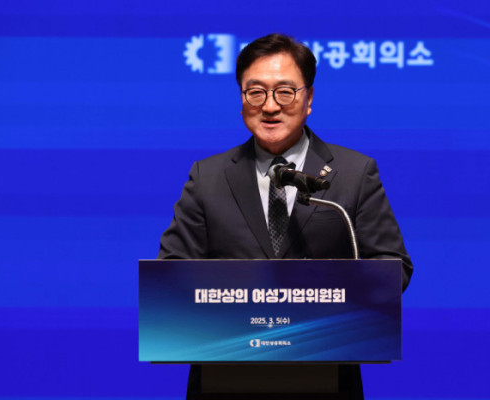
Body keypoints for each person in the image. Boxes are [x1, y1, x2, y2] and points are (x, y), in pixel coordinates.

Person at [158, 33, 413, 399]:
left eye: (285, 91)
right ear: (241, 99)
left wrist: (322, 291)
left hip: (325, 373)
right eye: (255, 92)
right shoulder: (207, 177)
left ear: (309, 99)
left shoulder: (355, 173)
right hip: (227, 374)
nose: (270, 106)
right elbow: (172, 274)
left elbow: (393, 266)